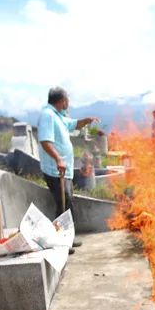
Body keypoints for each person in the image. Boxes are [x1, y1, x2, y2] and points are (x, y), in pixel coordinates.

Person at [37, 86, 98, 249]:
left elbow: (73, 124)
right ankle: (60, 243)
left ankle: (67, 239)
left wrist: (87, 120)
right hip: (56, 170)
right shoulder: (47, 115)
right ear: (62, 101)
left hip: (65, 170)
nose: (68, 103)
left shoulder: (59, 116)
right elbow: (45, 141)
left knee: (67, 204)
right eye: (67, 100)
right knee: (63, 206)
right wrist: (58, 159)